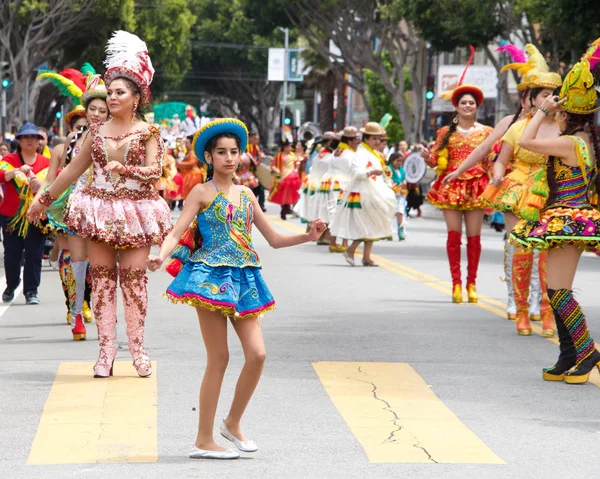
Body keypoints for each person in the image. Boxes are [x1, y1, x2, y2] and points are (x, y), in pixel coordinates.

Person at [147, 118, 326, 460]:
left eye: (234, 152)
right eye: (221, 153)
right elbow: (176, 230)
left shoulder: (247, 194)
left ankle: (233, 422)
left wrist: (308, 235)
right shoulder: (200, 192)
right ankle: (203, 440)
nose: (229, 158)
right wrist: (161, 255)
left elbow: (273, 239)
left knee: (257, 354)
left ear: (241, 155)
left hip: (244, 278)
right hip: (209, 277)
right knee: (220, 357)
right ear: (209, 157)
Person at [29, 30, 172, 378]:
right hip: (100, 212)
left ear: (136, 97)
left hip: (137, 211)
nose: (111, 98)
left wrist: (128, 169)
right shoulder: (95, 132)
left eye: (119, 93)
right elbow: (70, 171)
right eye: (109, 93)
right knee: (103, 281)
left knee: (134, 282)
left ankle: (137, 349)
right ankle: (106, 350)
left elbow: (156, 172)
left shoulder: (149, 133)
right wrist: (42, 201)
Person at [444, 44, 559, 327]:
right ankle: (515, 301)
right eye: (543, 95)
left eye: (552, 95)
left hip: (551, 190)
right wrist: (460, 170)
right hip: (518, 188)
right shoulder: (513, 123)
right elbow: (485, 149)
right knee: (518, 244)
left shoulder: (562, 124)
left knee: (546, 247)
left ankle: (539, 304)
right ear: (529, 98)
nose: (550, 100)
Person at [509, 39, 600, 384]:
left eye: (558, 114)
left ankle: (587, 350)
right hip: (569, 218)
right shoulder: (584, 141)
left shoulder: (569, 142)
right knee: (555, 290)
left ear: (566, 115)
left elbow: (525, 141)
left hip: (569, 219)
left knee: (559, 291)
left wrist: (542, 111)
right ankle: (567, 354)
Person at [41, 72, 110, 339]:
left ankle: (104, 313)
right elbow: (65, 174)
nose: (95, 114)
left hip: (106, 208)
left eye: (101, 110)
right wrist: (43, 198)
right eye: (92, 109)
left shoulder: (115, 137)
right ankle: (77, 313)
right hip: (77, 204)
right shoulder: (72, 141)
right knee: (77, 260)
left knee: (103, 265)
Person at [423, 48, 492, 303]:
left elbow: (492, 159)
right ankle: (455, 284)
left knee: (475, 238)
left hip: (476, 187)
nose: (467, 106)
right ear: (457, 106)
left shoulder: (487, 132)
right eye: (463, 102)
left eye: (471, 103)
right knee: (454, 238)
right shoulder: (444, 133)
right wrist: (425, 158)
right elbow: (436, 163)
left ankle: (472, 284)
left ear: (476, 107)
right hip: (450, 186)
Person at [330, 122, 396, 267]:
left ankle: (366, 256)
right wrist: (370, 172)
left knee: (373, 224)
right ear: (366, 139)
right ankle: (351, 250)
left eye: (379, 139)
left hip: (374, 192)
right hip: (362, 193)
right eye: (374, 139)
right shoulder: (360, 153)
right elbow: (355, 172)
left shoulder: (373, 153)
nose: (378, 142)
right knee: (367, 225)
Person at [0, 123, 49, 305]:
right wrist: (15, 172)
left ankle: (31, 291)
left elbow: (57, 180)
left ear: (39, 142)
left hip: (37, 215)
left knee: (34, 254)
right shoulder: (9, 159)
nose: (29, 141)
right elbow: (1, 174)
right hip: (12, 216)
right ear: (19, 141)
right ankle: (12, 284)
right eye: (25, 137)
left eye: (33, 138)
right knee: (12, 254)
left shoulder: (47, 163)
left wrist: (42, 185)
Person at [320, 126, 360, 252]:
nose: (357, 143)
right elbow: (354, 171)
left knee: (335, 213)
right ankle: (344, 243)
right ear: (349, 141)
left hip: (331, 183)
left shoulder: (337, 151)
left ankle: (334, 242)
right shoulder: (350, 154)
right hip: (343, 185)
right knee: (344, 213)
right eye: (355, 140)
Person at [268, 138, 301, 220]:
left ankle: (288, 207)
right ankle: (284, 208)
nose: (291, 148)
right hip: (282, 177)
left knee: (291, 193)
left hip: (293, 177)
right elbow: (272, 166)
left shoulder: (293, 155)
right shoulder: (279, 156)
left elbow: (296, 164)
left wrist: (297, 167)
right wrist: (276, 170)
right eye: (289, 146)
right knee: (282, 194)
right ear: (285, 147)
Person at [176, 135, 207, 209]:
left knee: (189, 193)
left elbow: (191, 163)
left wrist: (178, 163)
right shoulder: (191, 152)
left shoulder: (192, 153)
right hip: (192, 175)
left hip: (193, 176)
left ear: (191, 144)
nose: (185, 145)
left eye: (187, 143)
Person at [246, 131, 266, 212]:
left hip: (253, 172)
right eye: (255, 139)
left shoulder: (256, 148)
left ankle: (260, 205)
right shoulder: (246, 147)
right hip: (245, 172)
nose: (256, 141)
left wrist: (261, 158)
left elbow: (256, 164)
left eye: (257, 139)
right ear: (250, 138)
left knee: (260, 188)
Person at [389, 152, 407, 240]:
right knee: (389, 213)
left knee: (400, 212)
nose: (399, 163)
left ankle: (400, 231)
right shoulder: (388, 169)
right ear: (392, 160)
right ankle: (388, 231)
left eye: (401, 161)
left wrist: (404, 183)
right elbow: (387, 181)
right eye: (397, 161)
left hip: (400, 194)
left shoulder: (402, 170)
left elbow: (404, 180)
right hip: (390, 194)